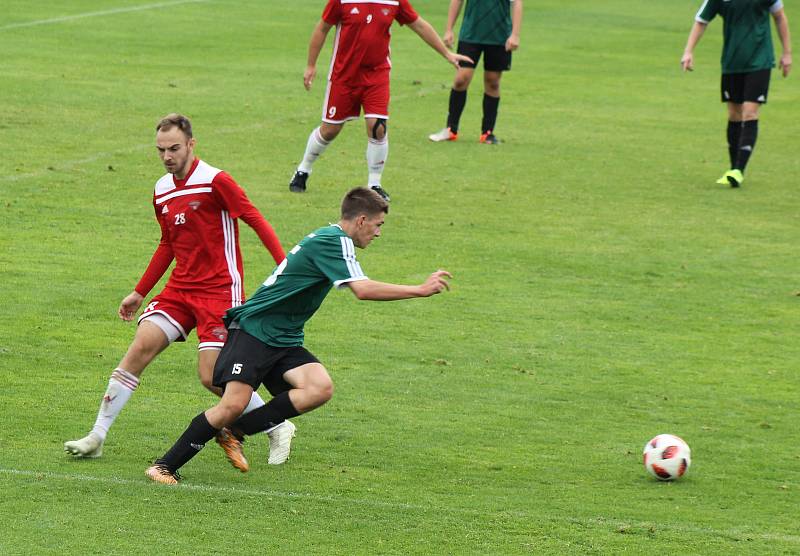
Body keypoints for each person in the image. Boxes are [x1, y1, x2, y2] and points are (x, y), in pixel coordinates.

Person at [145, 187, 452, 484]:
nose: (378, 232)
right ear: (361, 220)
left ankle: (234, 432)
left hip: (283, 337)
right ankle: (164, 467)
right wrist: (420, 290)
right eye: (378, 225)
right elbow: (362, 289)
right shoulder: (335, 240)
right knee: (231, 405)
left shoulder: (328, 237)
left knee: (318, 388)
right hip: (255, 331)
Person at [64, 114, 286, 465]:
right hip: (180, 289)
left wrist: (283, 266)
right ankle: (97, 436)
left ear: (191, 145)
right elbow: (167, 243)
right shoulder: (162, 189)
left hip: (220, 290)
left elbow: (254, 218)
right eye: (161, 150)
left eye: (174, 149)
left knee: (212, 376)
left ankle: (275, 423)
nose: (167, 156)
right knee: (139, 348)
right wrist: (140, 291)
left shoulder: (216, 181)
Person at [288, 0, 474, 202]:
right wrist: (310, 65)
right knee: (330, 130)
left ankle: (374, 184)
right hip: (344, 76)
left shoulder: (394, 1)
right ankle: (303, 169)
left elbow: (419, 25)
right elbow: (322, 28)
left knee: (377, 127)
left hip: (377, 75)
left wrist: (446, 54)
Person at [681, 0, 791, 188]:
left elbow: (779, 16)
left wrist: (787, 53)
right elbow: (701, 21)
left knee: (750, 111)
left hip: (760, 61)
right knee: (734, 113)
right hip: (732, 62)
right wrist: (688, 51)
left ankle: (738, 169)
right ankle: (733, 168)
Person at [429, 0, 523, 145]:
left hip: (499, 36)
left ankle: (487, 133)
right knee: (461, 79)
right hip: (470, 35)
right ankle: (451, 129)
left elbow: (516, 2)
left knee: (492, 82)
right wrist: (449, 29)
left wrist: (515, 34)